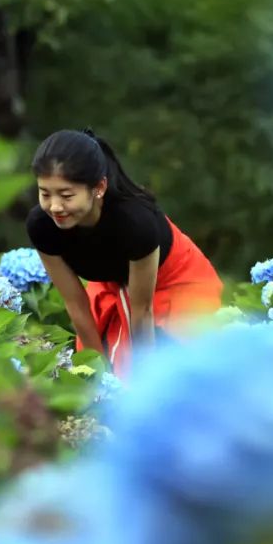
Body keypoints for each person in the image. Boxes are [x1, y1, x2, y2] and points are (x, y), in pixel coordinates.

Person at [26, 128, 223, 376]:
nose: (55, 207)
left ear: (98, 188)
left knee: (175, 371)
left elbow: (142, 311)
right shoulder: (42, 226)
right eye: (45, 193)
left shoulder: (136, 223)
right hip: (112, 286)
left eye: (66, 195)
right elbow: (76, 303)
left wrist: (145, 384)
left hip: (170, 284)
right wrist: (96, 375)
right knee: (98, 374)